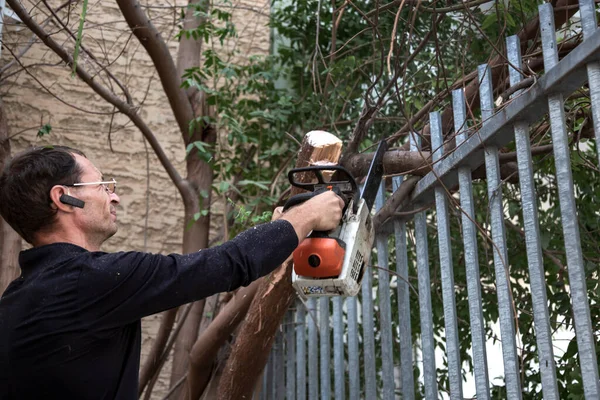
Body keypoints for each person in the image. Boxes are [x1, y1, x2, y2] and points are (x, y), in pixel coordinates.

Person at [0, 145, 344, 399]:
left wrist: (281, 231)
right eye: (104, 186)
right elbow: (228, 264)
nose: (114, 198)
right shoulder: (87, 282)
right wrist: (309, 215)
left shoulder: (19, 298)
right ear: (64, 198)